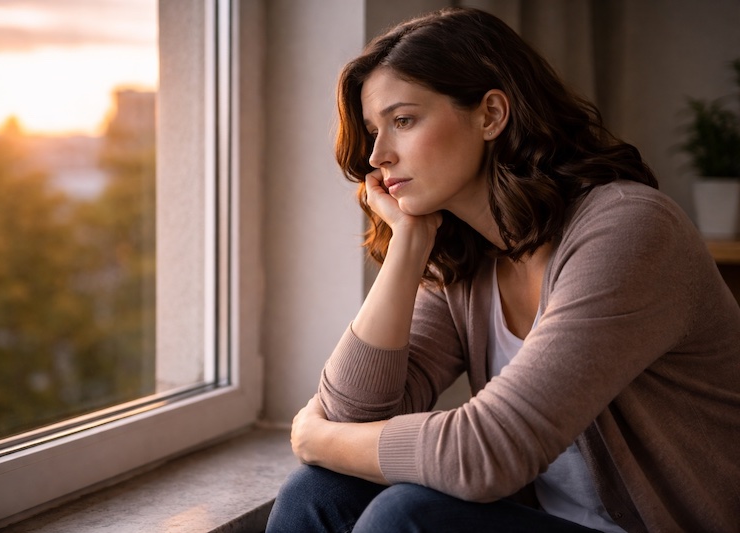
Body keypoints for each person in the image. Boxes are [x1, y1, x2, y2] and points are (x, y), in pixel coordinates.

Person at [265, 7, 740, 533]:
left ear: (491, 114)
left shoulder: (631, 230)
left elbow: (488, 452)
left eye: (402, 121)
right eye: (375, 130)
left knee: (407, 518)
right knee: (320, 492)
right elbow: (352, 416)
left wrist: (316, 439)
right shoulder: (468, 260)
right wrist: (408, 244)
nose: (377, 154)